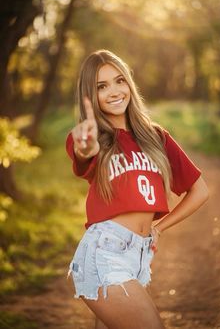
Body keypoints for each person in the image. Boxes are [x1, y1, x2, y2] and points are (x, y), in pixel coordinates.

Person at [66, 49, 209, 329]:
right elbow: (83, 153)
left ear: (129, 83)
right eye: (101, 86)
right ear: (90, 96)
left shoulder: (155, 137)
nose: (114, 91)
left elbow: (200, 191)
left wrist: (160, 227)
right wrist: (86, 146)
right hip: (104, 253)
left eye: (119, 80)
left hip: (139, 256)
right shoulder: (96, 139)